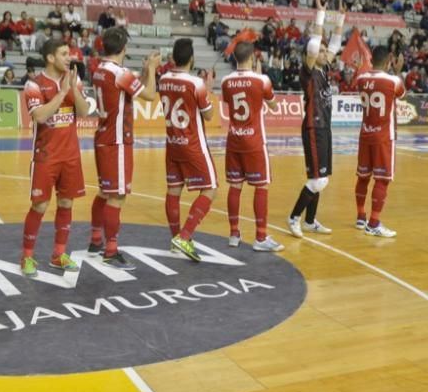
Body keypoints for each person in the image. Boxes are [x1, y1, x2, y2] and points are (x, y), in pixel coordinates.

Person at [89, 27, 160, 269]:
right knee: (117, 196)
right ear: (124, 48)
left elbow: (130, 86)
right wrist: (152, 69)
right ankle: (110, 250)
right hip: (117, 140)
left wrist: (141, 72)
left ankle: (96, 239)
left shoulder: (100, 69)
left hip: (102, 136)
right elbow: (150, 94)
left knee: (104, 192)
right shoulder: (120, 73)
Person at [20, 38, 91, 277]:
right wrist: (62, 93)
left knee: (66, 203)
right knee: (39, 205)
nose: (69, 57)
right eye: (63, 53)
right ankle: (27, 257)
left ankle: (58, 254)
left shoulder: (74, 80)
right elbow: (39, 116)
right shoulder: (34, 84)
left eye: (68, 53)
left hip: (70, 155)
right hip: (46, 156)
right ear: (50, 58)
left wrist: (72, 89)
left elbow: (83, 112)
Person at [287, 0, 345, 238]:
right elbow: (313, 45)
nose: (324, 52)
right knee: (318, 181)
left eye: (325, 51)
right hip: (313, 127)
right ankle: (294, 218)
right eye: (321, 51)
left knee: (320, 178)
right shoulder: (308, 71)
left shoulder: (324, 68)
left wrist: (340, 18)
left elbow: (335, 43)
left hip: (325, 129)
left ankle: (310, 221)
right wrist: (320, 13)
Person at [221, 41, 284, 251]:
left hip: (234, 140)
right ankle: (260, 237)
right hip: (254, 141)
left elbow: (230, 103)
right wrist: (258, 76)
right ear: (252, 58)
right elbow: (274, 106)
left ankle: (233, 233)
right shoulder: (262, 80)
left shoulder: (226, 81)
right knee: (261, 186)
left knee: (235, 186)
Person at [159, 38, 218, 261]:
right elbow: (209, 115)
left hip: (172, 143)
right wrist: (209, 88)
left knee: (174, 190)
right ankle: (184, 236)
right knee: (210, 188)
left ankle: (176, 238)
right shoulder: (196, 84)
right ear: (192, 59)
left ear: (173, 57)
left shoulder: (163, 79)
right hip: (193, 145)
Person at [352, 46, 404, 238]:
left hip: (365, 133)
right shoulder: (393, 80)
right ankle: (373, 223)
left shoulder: (361, 79)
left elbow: (362, 78)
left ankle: (360, 216)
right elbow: (401, 93)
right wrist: (397, 71)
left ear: (372, 59)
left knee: (363, 176)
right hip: (383, 137)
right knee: (382, 179)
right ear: (389, 61)